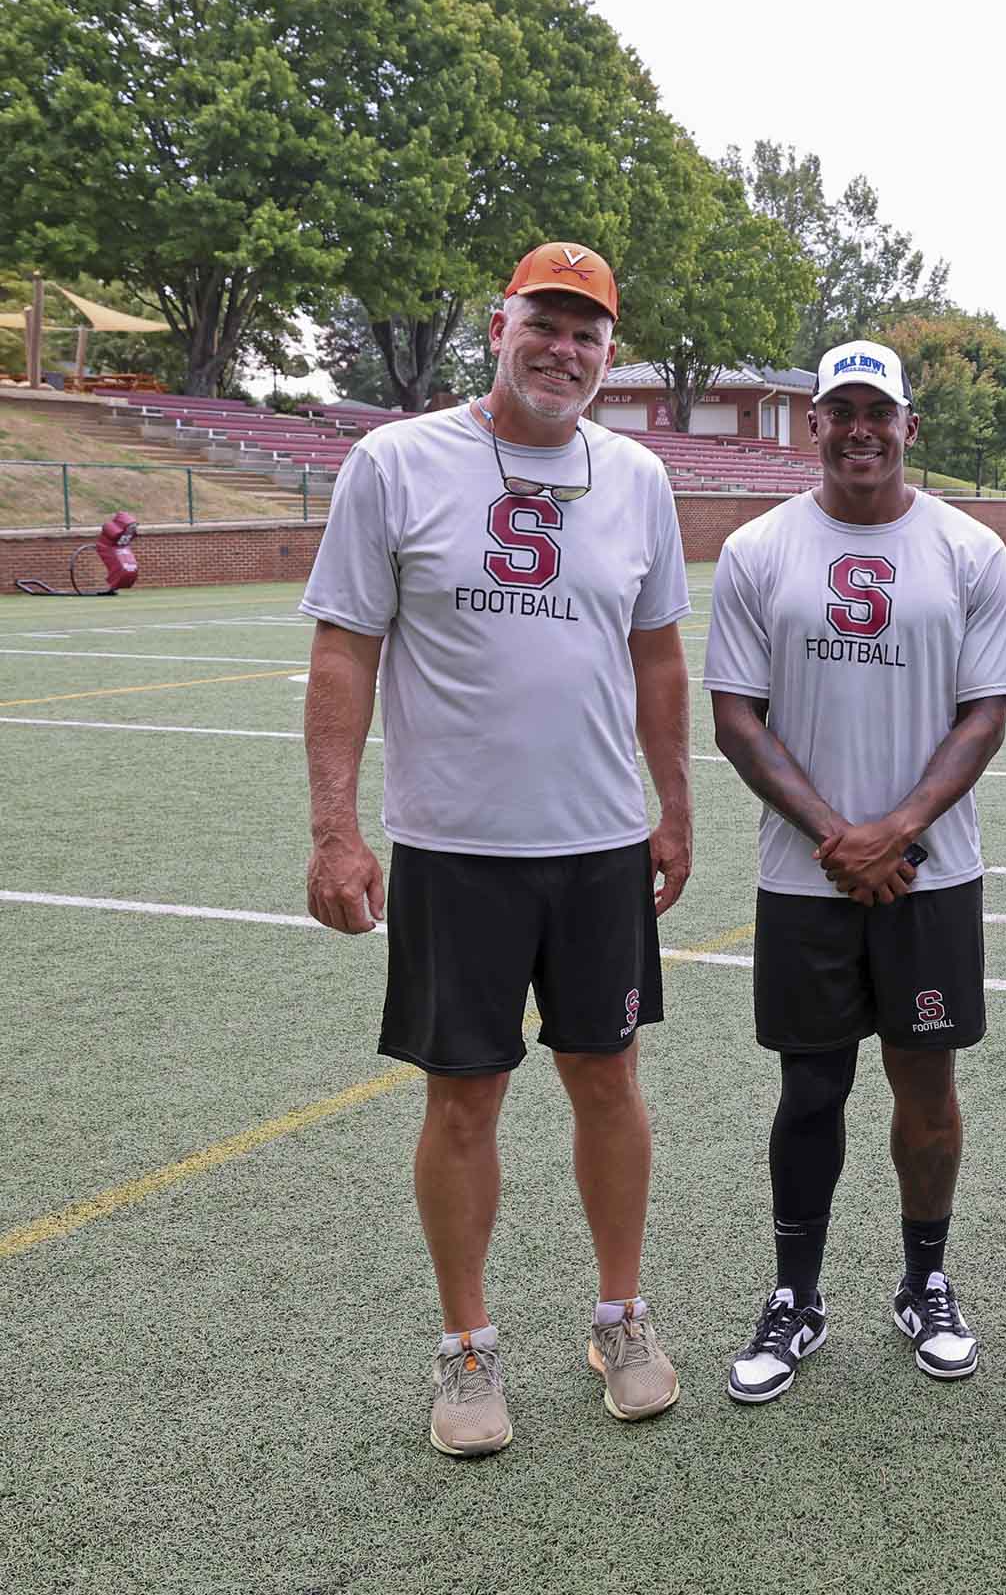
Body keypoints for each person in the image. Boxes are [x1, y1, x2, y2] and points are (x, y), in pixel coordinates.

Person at [300, 242, 693, 1457]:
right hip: (456, 849)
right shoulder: (397, 461)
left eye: (588, 332)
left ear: (609, 352)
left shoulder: (637, 478)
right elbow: (345, 649)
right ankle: (466, 1345)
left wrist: (673, 807)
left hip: (599, 846)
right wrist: (334, 829)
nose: (563, 349)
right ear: (498, 323)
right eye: (545, 323)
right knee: (463, 1097)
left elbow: (660, 656)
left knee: (609, 1079)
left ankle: (619, 1317)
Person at [704, 339, 1006, 1397]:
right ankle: (797, 1293)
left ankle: (923, 1279)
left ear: (908, 427)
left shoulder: (970, 549)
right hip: (807, 877)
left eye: (876, 410)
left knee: (926, 1079)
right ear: (815, 425)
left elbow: (985, 715)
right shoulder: (758, 550)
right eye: (838, 409)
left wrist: (899, 830)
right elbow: (736, 717)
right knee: (810, 1084)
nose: (857, 428)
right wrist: (840, 834)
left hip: (929, 873)